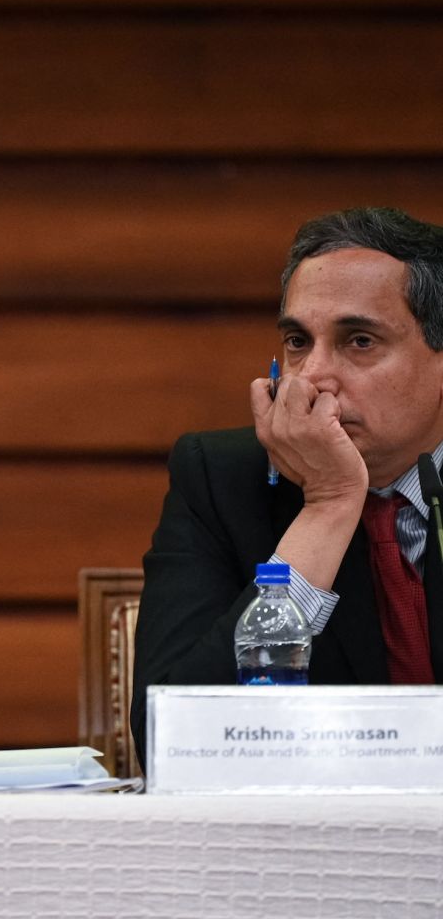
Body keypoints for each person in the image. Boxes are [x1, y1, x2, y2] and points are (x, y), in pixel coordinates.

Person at [131, 206, 443, 770]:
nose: (312, 377)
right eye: (298, 341)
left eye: (360, 341)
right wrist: (327, 508)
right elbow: (172, 741)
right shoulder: (223, 479)